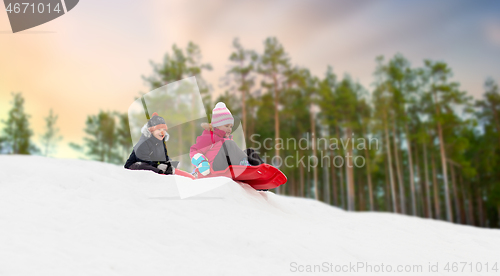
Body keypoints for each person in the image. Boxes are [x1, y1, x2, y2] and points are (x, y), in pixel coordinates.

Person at [189, 102, 263, 176]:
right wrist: (202, 162)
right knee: (228, 144)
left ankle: (262, 170)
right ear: (217, 126)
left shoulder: (228, 139)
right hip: (215, 168)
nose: (230, 129)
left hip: (229, 165)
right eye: (227, 126)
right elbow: (193, 151)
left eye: (231, 126)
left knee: (250, 151)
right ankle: (244, 166)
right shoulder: (209, 137)